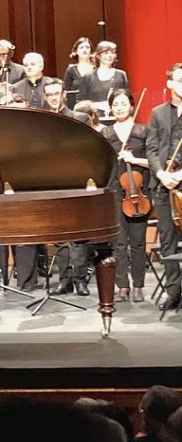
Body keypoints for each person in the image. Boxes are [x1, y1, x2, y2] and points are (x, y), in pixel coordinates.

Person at [39, 80, 92, 296]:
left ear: (63, 95)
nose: (53, 97)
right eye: (49, 94)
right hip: (52, 183)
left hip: (77, 181)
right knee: (59, 235)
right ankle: (65, 280)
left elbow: (89, 149)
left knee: (78, 234)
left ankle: (80, 279)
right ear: (44, 96)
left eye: (56, 93)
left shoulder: (79, 118)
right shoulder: (40, 121)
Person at [101, 89, 150, 303]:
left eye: (123, 103)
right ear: (111, 107)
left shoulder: (143, 131)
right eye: (116, 104)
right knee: (119, 243)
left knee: (138, 242)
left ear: (131, 106)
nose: (119, 107)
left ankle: (138, 285)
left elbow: (152, 161)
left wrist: (134, 159)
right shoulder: (105, 133)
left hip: (138, 193)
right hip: (114, 192)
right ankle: (122, 285)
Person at [145, 63, 182, 311]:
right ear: (169, 84)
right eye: (179, 80)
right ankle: (174, 292)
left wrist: (179, 174)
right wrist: (160, 172)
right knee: (167, 239)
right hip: (162, 183)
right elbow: (152, 148)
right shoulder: (158, 113)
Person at [77, 40, 129, 115]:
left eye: (112, 52)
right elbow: (79, 104)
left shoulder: (121, 75)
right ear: (98, 56)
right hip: (95, 120)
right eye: (106, 53)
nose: (109, 56)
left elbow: (128, 99)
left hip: (116, 118)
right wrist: (97, 105)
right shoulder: (88, 76)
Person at [63, 36, 96, 110]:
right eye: (81, 47)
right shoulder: (70, 70)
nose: (84, 50)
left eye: (87, 47)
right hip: (75, 108)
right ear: (76, 51)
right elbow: (66, 92)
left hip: (94, 107)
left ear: (91, 51)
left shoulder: (97, 70)